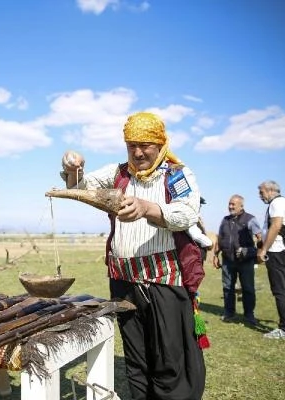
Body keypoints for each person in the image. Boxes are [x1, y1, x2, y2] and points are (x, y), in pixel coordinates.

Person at [60, 112, 205, 400]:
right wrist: (73, 168)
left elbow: (188, 213)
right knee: (136, 358)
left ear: (160, 144)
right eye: (131, 145)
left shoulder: (176, 175)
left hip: (162, 281)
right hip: (123, 282)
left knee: (167, 358)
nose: (137, 152)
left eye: (145, 145)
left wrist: (147, 208)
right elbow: (79, 187)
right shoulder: (118, 174)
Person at [257, 180, 285, 340]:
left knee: (280, 290)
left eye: (261, 192)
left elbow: (275, 226)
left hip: (276, 251)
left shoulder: (276, 203)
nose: (260, 196)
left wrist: (264, 249)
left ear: (270, 190)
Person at [212, 194, 262, 325]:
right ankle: (229, 313)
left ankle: (249, 315)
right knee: (228, 287)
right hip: (228, 260)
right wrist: (215, 255)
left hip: (245, 260)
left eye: (233, 204)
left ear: (241, 205)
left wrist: (258, 252)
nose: (230, 206)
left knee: (248, 288)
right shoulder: (225, 220)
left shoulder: (250, 219)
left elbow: (260, 236)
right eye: (229, 204)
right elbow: (220, 238)